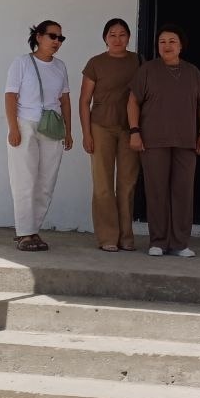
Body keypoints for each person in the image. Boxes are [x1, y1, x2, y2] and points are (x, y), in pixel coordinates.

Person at [127, 24, 200, 258]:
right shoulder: (147, 70)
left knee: (183, 192)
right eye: (162, 41)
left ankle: (180, 243)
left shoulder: (192, 72)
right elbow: (133, 101)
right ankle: (158, 241)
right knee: (156, 191)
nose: (167, 46)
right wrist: (134, 131)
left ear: (181, 46)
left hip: (186, 142)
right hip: (153, 141)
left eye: (172, 41)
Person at [4, 20, 73, 251]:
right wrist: (13, 128)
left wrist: (69, 131)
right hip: (25, 124)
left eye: (60, 38)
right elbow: (10, 96)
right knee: (24, 180)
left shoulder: (60, 66)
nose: (57, 41)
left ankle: (33, 230)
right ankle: (25, 233)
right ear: (39, 37)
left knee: (46, 182)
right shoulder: (22, 63)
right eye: (53, 36)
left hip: (52, 126)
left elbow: (65, 100)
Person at [80, 18, 142, 252]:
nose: (117, 39)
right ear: (105, 38)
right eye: (112, 34)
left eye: (122, 34)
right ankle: (107, 236)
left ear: (129, 37)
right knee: (103, 184)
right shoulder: (95, 63)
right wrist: (86, 133)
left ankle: (126, 236)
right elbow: (84, 100)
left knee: (127, 183)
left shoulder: (138, 61)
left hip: (129, 128)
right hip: (100, 127)